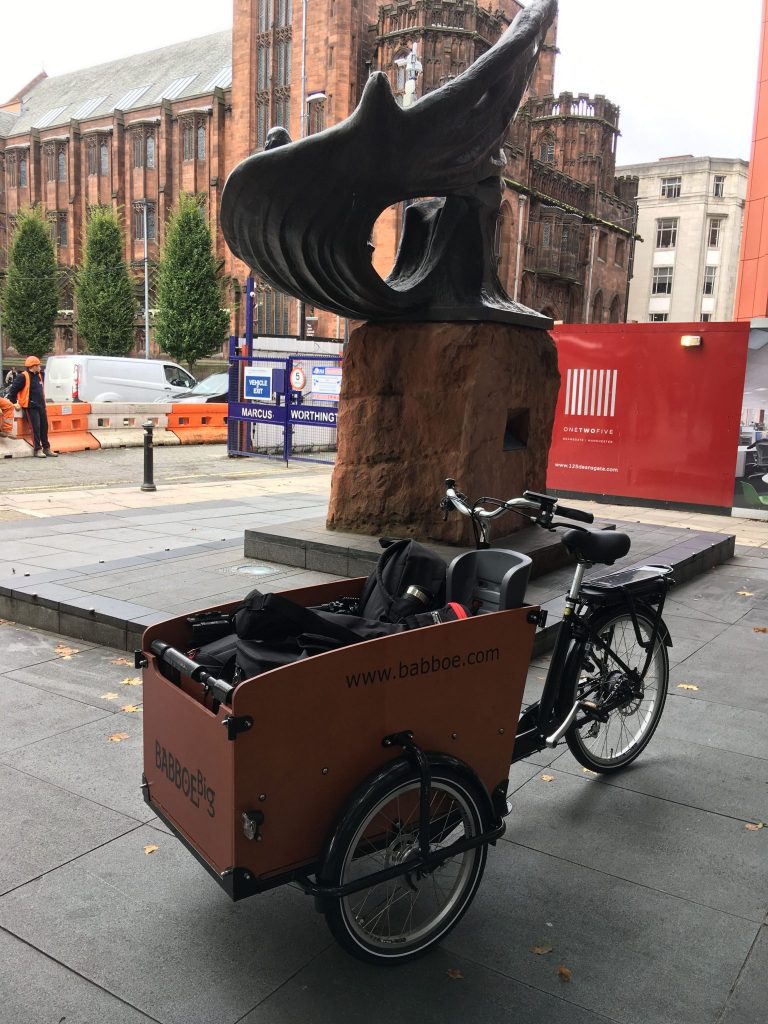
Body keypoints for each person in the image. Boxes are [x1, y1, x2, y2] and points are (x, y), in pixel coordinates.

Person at [6, 356, 58, 457]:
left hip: (41, 406)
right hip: (30, 407)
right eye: (38, 365)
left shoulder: (39, 375)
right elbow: (13, 390)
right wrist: (14, 402)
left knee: (44, 427)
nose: (40, 367)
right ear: (33, 366)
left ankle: (46, 448)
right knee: (36, 428)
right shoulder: (23, 376)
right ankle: (37, 449)